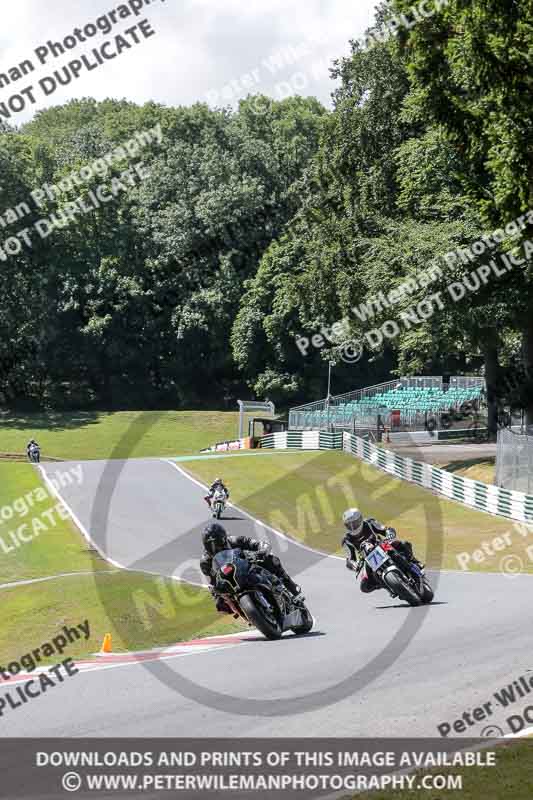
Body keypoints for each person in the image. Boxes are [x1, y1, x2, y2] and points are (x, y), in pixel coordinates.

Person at [200, 522, 302, 612]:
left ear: (223, 538)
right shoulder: (205, 562)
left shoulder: (234, 540)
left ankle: (291, 586)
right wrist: (216, 592)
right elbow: (211, 582)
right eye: (211, 546)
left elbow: (256, 544)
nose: (215, 547)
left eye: (217, 543)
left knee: (271, 560)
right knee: (221, 604)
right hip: (229, 580)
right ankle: (247, 614)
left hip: (244, 566)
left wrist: (261, 550)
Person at [341, 507, 422, 594]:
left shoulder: (369, 523)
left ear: (360, 519)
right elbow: (350, 558)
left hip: (382, 546)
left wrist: (389, 535)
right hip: (367, 560)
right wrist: (354, 565)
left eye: (355, 523)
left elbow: (385, 529)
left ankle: (414, 562)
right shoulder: (346, 540)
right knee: (364, 586)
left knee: (402, 544)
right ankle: (384, 584)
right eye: (349, 525)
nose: (353, 527)